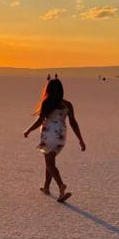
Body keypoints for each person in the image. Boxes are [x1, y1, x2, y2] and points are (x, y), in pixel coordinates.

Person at [23, 75, 85, 203]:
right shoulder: (68, 104)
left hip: (49, 136)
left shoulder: (48, 103)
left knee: (49, 163)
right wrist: (80, 139)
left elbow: (40, 121)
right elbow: (73, 122)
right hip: (61, 137)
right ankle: (46, 187)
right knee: (50, 161)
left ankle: (61, 186)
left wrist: (28, 130)